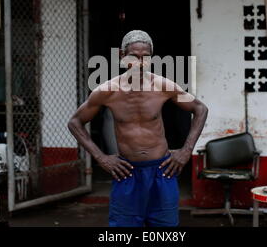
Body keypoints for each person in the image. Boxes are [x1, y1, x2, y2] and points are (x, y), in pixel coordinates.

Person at [68, 30, 208, 227]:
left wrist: (186, 151)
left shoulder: (163, 86)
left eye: (145, 57)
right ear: (121, 56)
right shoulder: (107, 91)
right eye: (134, 56)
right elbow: (75, 122)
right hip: (127, 173)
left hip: (162, 171)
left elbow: (199, 108)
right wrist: (102, 158)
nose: (140, 63)